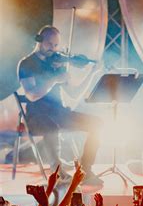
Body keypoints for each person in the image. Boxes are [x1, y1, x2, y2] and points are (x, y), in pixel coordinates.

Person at [17, 25, 103, 185]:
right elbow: (32, 95)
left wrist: (92, 74)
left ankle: (85, 169)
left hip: (60, 113)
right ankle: (57, 170)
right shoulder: (27, 64)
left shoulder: (58, 63)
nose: (54, 49)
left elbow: (75, 93)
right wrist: (54, 79)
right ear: (40, 41)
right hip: (37, 116)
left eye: (56, 45)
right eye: (50, 44)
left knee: (97, 123)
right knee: (51, 126)